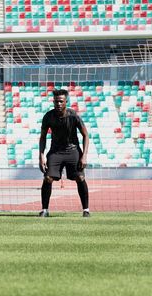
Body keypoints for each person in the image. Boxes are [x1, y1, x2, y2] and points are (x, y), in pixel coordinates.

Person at [38, 89, 90, 217]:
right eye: (56, 101)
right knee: (48, 178)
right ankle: (45, 210)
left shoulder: (73, 116)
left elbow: (86, 135)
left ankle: (86, 210)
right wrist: (41, 156)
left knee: (80, 177)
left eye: (61, 101)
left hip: (73, 151)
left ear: (66, 102)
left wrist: (84, 156)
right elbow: (43, 137)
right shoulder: (48, 116)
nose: (58, 104)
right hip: (56, 152)